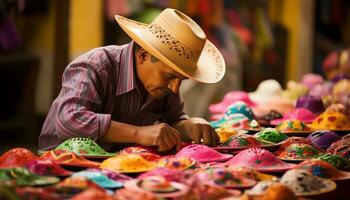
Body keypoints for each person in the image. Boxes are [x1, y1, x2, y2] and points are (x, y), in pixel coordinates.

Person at [39, 8, 225, 152]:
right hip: (60, 164)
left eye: (181, 80)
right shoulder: (96, 66)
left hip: (115, 166)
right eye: (170, 76)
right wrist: (139, 134)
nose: (175, 88)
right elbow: (69, 120)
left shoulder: (165, 86)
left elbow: (173, 120)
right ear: (143, 56)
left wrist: (190, 125)